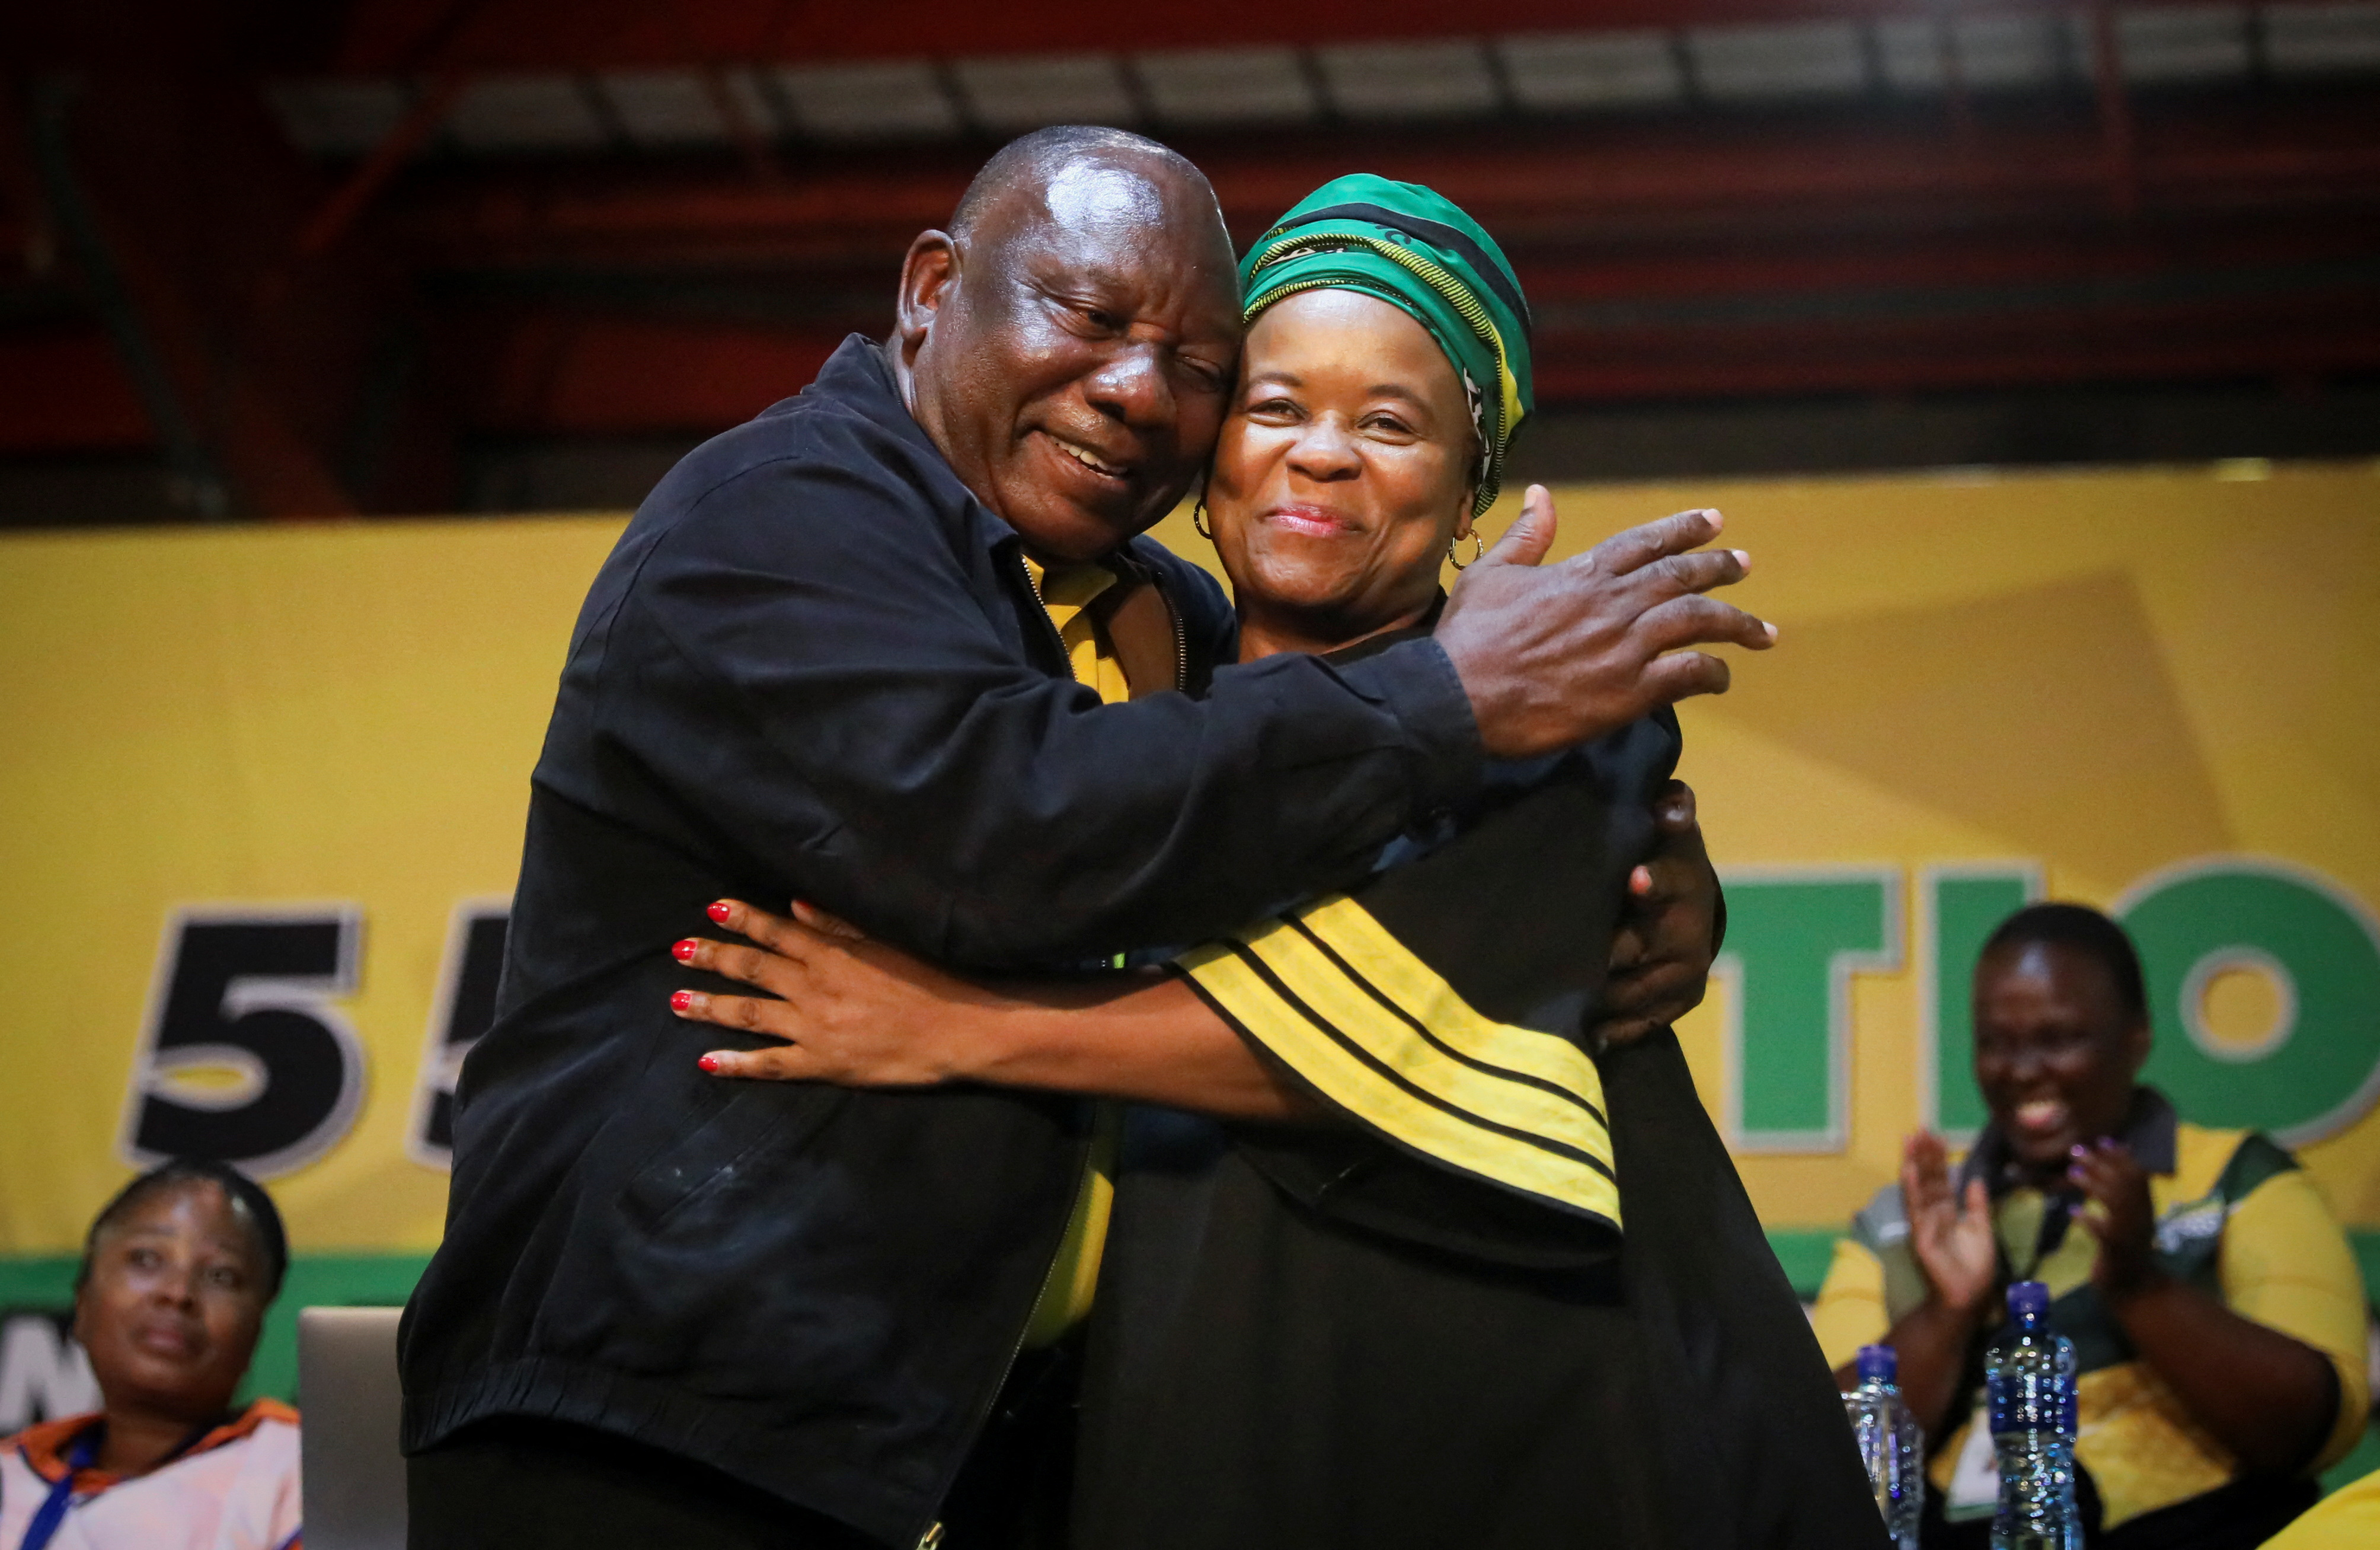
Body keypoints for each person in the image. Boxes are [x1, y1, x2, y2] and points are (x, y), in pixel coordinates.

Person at [399, 127, 1775, 1549]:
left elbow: (1314, 802)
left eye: (1194, 366)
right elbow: (1007, 822)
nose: (1136, 389)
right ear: (932, 288)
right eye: (1091, 315)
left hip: (985, 1453)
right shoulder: (779, 511)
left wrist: (1644, 874)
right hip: (657, 1431)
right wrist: (1449, 699)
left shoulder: (1156, 623)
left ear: (1472, 478)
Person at [1809, 902, 2372, 1548]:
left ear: (2136, 1038)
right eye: (1995, 1042)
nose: (2022, 1070)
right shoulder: (1907, 1217)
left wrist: (2140, 1287)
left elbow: (2313, 1428)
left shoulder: (2237, 1180)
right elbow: (1821, 1466)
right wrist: (1947, 1312)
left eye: (2058, 1039)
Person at [0, 1159, 301, 1550]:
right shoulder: (11, 1474)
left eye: (221, 1276)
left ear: (257, 1327)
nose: (177, 1293)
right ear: (83, 1301)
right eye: (146, 1259)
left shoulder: (301, 1472)